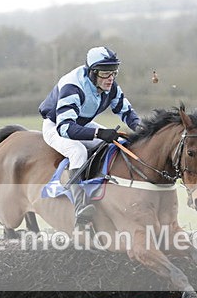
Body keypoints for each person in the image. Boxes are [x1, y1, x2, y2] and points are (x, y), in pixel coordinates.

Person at [39, 46, 142, 228]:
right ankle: (80, 208)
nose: (110, 78)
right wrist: (99, 133)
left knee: (118, 143)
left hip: (81, 124)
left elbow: (126, 112)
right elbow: (66, 128)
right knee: (78, 151)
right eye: (105, 73)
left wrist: (143, 129)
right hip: (56, 126)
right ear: (92, 73)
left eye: (114, 73)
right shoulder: (73, 86)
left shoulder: (111, 86)